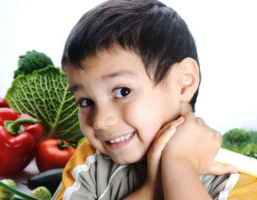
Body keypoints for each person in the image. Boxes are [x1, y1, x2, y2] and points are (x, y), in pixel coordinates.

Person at [53, 0, 257, 199]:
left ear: (184, 82)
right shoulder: (89, 162)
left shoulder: (239, 183)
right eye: (86, 102)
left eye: (123, 91)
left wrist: (178, 163)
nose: (100, 121)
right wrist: (154, 188)